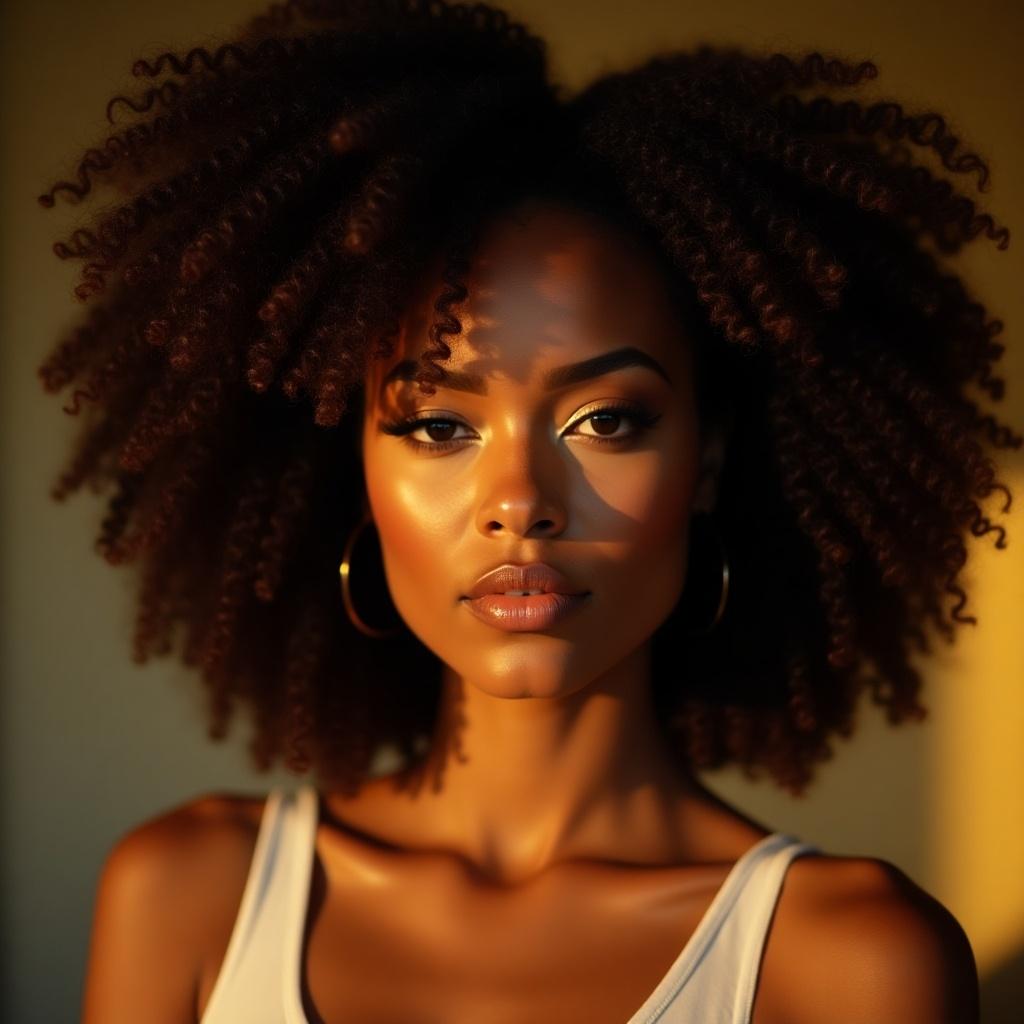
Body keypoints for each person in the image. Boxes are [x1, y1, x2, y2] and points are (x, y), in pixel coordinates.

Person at [35, 1, 1016, 1021]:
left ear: (708, 460)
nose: (519, 504)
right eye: (438, 427)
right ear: (354, 462)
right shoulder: (189, 893)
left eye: (605, 420)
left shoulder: (847, 962)